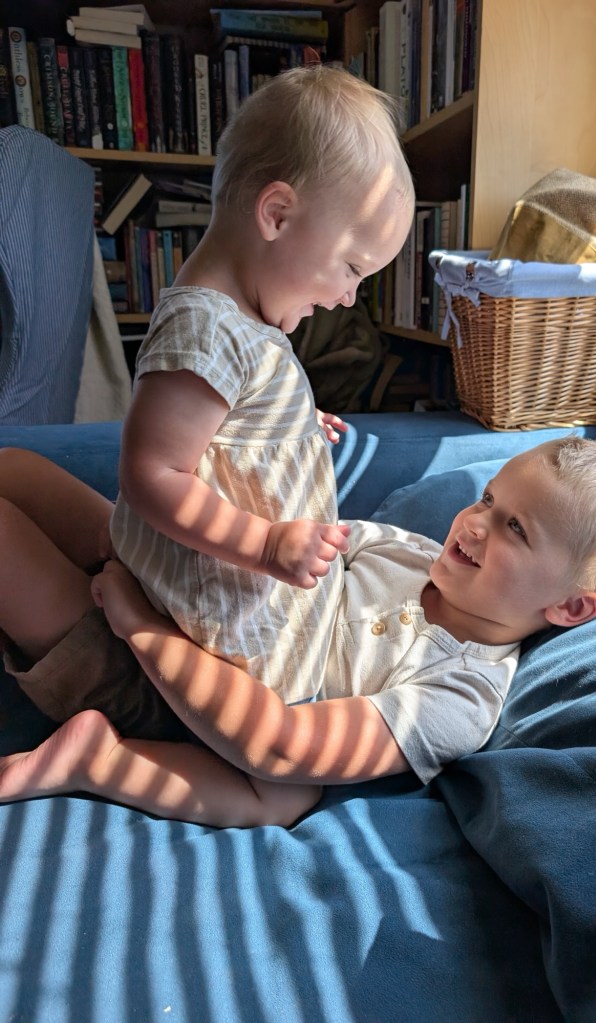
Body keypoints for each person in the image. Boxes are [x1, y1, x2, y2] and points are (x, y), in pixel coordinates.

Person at [0, 437, 596, 828]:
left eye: (514, 529)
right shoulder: (407, 551)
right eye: (488, 499)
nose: (473, 522)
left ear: (570, 608)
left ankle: (100, 758)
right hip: (196, 589)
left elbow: (282, 746)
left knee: (285, 794)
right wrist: (282, 451)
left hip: (162, 689)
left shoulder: (460, 694)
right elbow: (283, 531)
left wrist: (142, 629)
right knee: (16, 467)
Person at [109, 66, 415, 707]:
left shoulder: (243, 321)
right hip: (218, 632)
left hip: (247, 597)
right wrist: (266, 544)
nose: (348, 297)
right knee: (270, 764)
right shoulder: (206, 330)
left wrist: (294, 423)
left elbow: (228, 421)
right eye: (352, 268)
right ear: (276, 214)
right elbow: (152, 473)